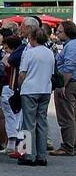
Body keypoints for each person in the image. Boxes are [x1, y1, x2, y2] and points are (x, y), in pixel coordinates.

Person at [16, 21, 56, 167]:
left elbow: (22, 74)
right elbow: (52, 73)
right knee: (42, 122)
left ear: (32, 39)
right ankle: (41, 155)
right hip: (45, 89)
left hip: (30, 89)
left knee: (28, 123)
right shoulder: (49, 53)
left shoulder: (29, 53)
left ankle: (27, 155)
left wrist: (20, 88)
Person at [0, 26, 25, 157]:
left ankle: (18, 148)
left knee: (12, 117)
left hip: (11, 87)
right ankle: (21, 149)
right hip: (21, 88)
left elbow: (8, 65)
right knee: (21, 118)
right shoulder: (25, 53)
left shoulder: (11, 57)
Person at [55, 20, 76, 156]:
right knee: (73, 116)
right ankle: (72, 144)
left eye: (60, 31)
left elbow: (69, 66)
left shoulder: (71, 46)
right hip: (72, 82)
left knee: (66, 116)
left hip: (69, 83)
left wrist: (62, 84)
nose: (57, 33)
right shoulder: (69, 45)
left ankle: (68, 146)